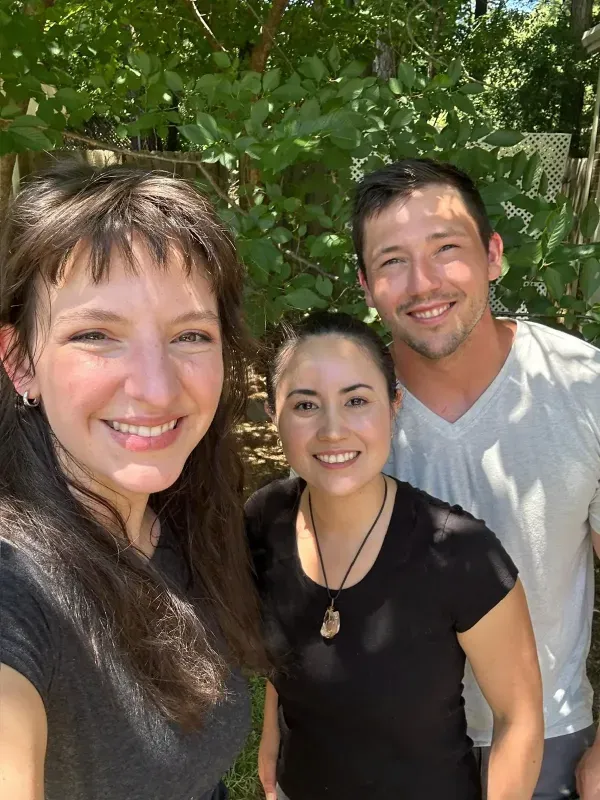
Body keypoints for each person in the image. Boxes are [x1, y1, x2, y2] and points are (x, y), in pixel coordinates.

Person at [0, 162, 265, 800]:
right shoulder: (17, 586)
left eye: (190, 335)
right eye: (97, 335)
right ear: (21, 362)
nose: (156, 386)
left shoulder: (180, 514)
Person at [353, 157, 600, 799]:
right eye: (392, 261)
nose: (423, 282)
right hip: (386, 742)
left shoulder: (582, 388)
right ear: (365, 284)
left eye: (446, 249)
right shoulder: (349, 418)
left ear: (493, 255)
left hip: (551, 738)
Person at [246, 311, 543, 800]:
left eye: (356, 401)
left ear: (394, 406)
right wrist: (272, 741)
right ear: (273, 413)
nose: (333, 430)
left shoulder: (458, 552)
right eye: (305, 405)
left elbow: (520, 717)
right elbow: (291, 649)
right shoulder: (265, 519)